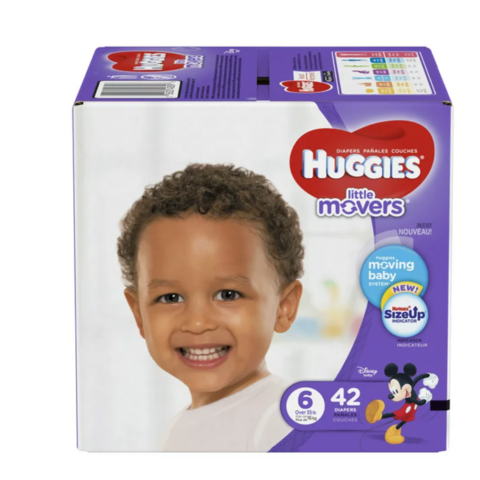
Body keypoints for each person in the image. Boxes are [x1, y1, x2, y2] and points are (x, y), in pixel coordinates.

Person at [117, 163, 304, 451]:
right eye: (170, 298)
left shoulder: (281, 420)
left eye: (228, 294)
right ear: (139, 314)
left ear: (284, 307)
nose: (197, 322)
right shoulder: (179, 427)